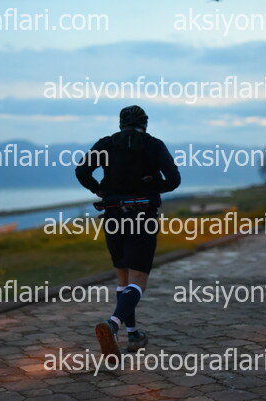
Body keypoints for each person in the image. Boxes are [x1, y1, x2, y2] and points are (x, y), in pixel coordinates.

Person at [75, 105, 181, 358]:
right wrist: (156, 185)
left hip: (113, 215)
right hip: (142, 215)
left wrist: (98, 189)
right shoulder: (154, 145)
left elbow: (81, 171)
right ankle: (113, 325)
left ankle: (133, 334)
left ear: (121, 124)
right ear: (145, 124)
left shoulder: (107, 144)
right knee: (138, 280)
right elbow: (174, 180)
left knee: (123, 278)